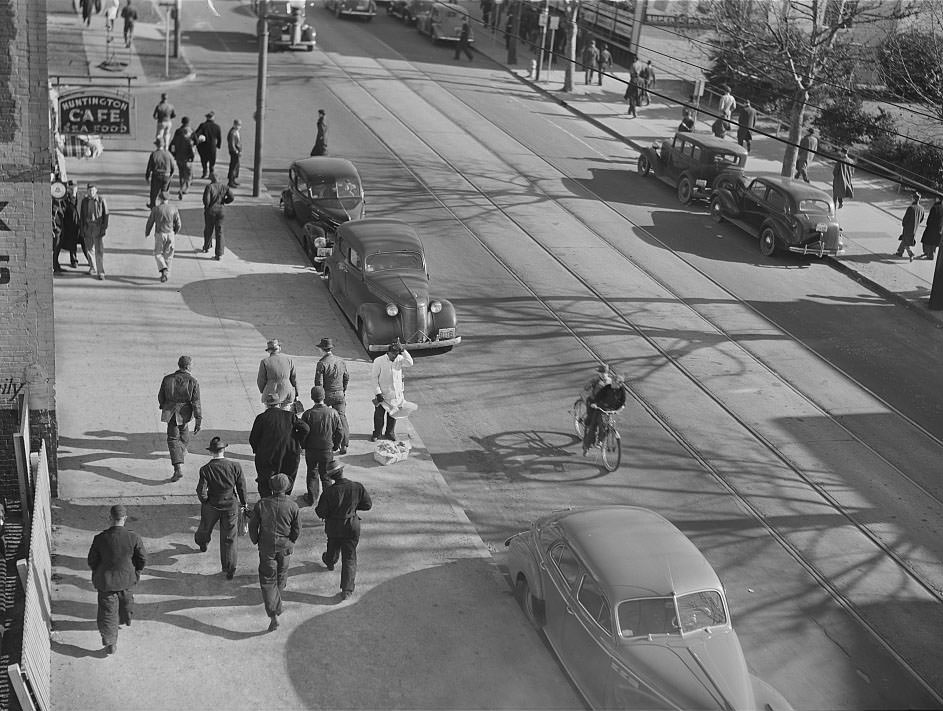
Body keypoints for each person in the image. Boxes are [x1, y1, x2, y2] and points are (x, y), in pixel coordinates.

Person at [87, 504, 146, 655]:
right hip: (127, 580)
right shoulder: (133, 537)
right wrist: (136, 573)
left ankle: (110, 642)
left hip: (106, 583)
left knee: (107, 613)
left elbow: (92, 560)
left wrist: (98, 571)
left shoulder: (100, 538)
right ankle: (125, 619)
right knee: (126, 603)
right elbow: (142, 559)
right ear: (125, 518)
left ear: (110, 518)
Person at [248, 473, 300, 632]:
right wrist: (291, 541)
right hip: (285, 546)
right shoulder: (293, 506)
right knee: (282, 574)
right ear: (287, 488)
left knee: (267, 578)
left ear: (271, 488)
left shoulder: (262, 504)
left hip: (267, 546)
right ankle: (277, 596)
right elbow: (296, 529)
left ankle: (273, 613)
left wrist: (256, 539)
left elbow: (253, 525)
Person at [315, 461, 372, 600]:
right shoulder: (357, 487)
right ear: (342, 471)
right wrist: (352, 508)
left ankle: (330, 561)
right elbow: (367, 505)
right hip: (352, 525)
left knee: (333, 546)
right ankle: (347, 590)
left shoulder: (329, 492)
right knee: (349, 557)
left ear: (331, 476)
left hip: (334, 526)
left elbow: (320, 512)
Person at [195, 437, 247, 580]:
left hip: (212, 504)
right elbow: (241, 487)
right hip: (230, 505)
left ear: (211, 452)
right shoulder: (235, 466)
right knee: (229, 537)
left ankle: (202, 543)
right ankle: (229, 568)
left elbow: (201, 490)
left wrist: (205, 501)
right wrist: (244, 503)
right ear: (224, 450)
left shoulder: (206, 469)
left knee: (205, 527)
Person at [250, 392, 308, 497]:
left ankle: (266, 500)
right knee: (286, 479)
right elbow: (306, 428)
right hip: (289, 454)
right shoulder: (290, 416)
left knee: (265, 480)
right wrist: (297, 441)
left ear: (266, 404)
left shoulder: (261, 418)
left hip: (267, 456)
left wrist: (257, 450)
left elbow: (253, 438)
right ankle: (284, 498)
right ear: (279, 404)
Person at [158, 355, 202, 482]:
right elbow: (196, 402)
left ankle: (179, 453)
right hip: (185, 414)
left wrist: (164, 406)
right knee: (180, 435)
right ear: (188, 366)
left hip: (170, 412)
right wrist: (198, 420)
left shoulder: (167, 379)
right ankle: (178, 468)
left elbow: (161, 396)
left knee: (174, 439)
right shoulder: (193, 381)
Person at [301, 386, 343, 506]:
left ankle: (312, 498)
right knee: (326, 475)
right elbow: (340, 431)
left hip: (311, 450)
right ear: (324, 397)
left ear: (312, 398)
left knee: (312, 473)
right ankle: (328, 500)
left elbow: (303, 433)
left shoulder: (307, 414)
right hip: (327, 449)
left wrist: (303, 446)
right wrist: (336, 445)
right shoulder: (333, 413)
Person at [370, 341, 413, 442]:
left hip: (395, 395)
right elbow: (374, 378)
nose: (395, 356)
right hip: (383, 394)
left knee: (393, 415)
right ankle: (377, 433)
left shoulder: (400, 359)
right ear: (388, 353)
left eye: (397, 354)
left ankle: (390, 433)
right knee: (379, 416)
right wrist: (377, 393)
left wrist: (403, 350)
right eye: (393, 354)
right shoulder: (379, 361)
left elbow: (410, 363)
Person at [314, 337, 349, 454]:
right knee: (342, 418)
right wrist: (343, 390)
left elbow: (319, 383)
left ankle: (330, 443)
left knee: (327, 419)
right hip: (339, 394)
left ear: (322, 349)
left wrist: (321, 398)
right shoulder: (341, 361)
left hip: (327, 394)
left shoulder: (321, 363)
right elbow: (346, 377)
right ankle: (344, 445)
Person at [581, 366, 626, 455]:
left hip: (608, 408)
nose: (603, 375)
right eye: (602, 373)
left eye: (605, 373)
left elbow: (622, 401)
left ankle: (601, 441)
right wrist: (595, 403)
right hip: (595, 404)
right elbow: (596, 395)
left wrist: (619, 409)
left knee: (605, 425)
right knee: (590, 423)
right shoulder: (597, 381)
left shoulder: (616, 386)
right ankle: (587, 446)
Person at [144, 191, 181, 283]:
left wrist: (147, 232)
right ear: (168, 199)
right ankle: (166, 274)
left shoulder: (156, 209)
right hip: (170, 233)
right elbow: (179, 224)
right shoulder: (174, 209)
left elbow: (150, 222)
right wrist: (174, 232)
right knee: (168, 255)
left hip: (160, 234)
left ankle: (163, 268)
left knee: (157, 253)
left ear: (159, 199)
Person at [58, 180, 90, 270]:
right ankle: (74, 261)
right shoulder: (65, 199)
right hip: (70, 225)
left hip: (80, 225)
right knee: (72, 244)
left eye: (74, 188)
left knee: (85, 243)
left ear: (77, 188)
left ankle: (90, 260)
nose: (73, 190)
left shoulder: (81, 197)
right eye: (71, 189)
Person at [80, 182, 109, 280]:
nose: (91, 192)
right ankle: (93, 267)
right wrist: (82, 229)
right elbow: (82, 216)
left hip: (97, 227)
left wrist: (104, 228)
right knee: (89, 249)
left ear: (96, 191)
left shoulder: (101, 200)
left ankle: (101, 272)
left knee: (99, 251)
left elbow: (106, 215)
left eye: (93, 190)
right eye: (89, 190)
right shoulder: (84, 201)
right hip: (88, 227)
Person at [201, 172, 234, 259]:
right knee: (220, 232)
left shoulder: (209, 187)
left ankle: (206, 247)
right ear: (219, 179)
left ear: (211, 179)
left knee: (208, 229)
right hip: (221, 211)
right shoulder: (224, 187)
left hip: (211, 211)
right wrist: (224, 202)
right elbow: (232, 197)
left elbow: (206, 201)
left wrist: (207, 208)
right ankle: (219, 254)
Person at [145, 138, 175, 209]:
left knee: (154, 192)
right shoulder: (168, 154)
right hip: (166, 176)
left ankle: (152, 205)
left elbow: (149, 167)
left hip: (156, 175)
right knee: (164, 192)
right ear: (163, 144)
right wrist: (171, 174)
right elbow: (173, 166)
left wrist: (147, 176)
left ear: (156, 145)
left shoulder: (154, 154)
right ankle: (164, 206)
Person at [169, 117, 195, 199]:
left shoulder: (177, 133)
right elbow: (193, 145)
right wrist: (192, 157)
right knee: (188, 174)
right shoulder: (190, 135)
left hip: (178, 157)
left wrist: (173, 154)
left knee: (181, 173)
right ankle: (185, 189)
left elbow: (171, 145)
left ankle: (181, 186)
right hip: (187, 159)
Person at [193, 111, 222, 179]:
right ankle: (211, 173)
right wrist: (218, 145)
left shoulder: (203, 125)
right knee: (212, 161)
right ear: (213, 118)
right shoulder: (217, 127)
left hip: (203, 146)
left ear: (206, 118)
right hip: (212, 146)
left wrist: (196, 143)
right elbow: (219, 138)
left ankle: (204, 172)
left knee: (204, 160)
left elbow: (196, 134)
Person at [897, 192, 924, 261]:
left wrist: (903, 224)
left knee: (906, 241)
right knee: (905, 239)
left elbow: (905, 218)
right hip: (915, 228)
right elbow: (921, 219)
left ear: (914, 199)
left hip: (908, 227)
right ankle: (900, 252)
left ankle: (911, 254)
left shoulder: (911, 208)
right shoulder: (922, 209)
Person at [921, 195, 943, 260]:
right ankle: (930, 253)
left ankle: (929, 254)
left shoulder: (935, 207)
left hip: (931, 227)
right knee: (934, 242)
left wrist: (928, 224)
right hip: (938, 228)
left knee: (927, 240)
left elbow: (930, 217)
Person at [226, 119, 242, 188]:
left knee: (236, 166)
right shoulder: (233, 132)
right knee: (233, 166)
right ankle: (230, 181)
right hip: (234, 152)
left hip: (236, 151)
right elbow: (231, 144)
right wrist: (236, 151)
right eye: (238, 125)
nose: (239, 126)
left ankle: (233, 179)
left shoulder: (236, 131)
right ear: (235, 124)